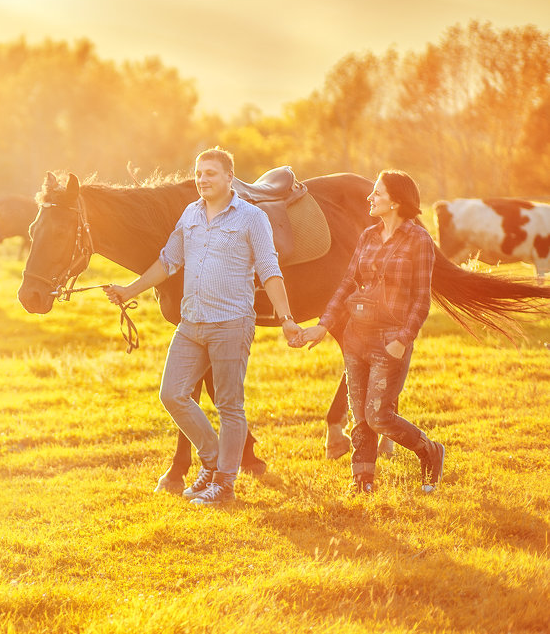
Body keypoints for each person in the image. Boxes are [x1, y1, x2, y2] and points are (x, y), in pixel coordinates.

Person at [105, 147, 302, 506]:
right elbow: (168, 261)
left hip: (231, 323)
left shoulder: (251, 218)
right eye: (198, 173)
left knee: (229, 406)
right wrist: (128, 290)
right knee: (172, 394)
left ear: (230, 177)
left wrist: (287, 319)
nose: (202, 179)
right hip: (191, 323)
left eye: (210, 173)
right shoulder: (190, 214)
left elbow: (270, 270)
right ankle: (214, 464)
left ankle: (223, 485)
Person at [296, 170, 443, 494]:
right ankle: (362, 481)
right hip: (356, 335)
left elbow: (421, 298)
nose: (369, 198)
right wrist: (323, 325)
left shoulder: (419, 240)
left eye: (377, 193)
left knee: (378, 415)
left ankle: (430, 451)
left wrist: (402, 340)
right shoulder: (367, 236)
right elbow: (347, 284)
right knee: (361, 415)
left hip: (390, 339)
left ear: (396, 201)